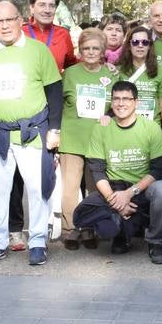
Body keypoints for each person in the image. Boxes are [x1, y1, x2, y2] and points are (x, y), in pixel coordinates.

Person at [0, 0, 62, 265]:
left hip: (32, 133)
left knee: (37, 190)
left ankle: (37, 242)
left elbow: (55, 92)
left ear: (20, 20)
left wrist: (55, 129)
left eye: (9, 19)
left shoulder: (38, 51)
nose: (4, 26)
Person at [73, 80, 162, 263]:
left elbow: (158, 168)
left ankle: (155, 241)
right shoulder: (101, 128)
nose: (121, 103)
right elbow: (97, 171)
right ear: (111, 102)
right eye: (116, 99)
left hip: (141, 190)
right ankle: (122, 232)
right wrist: (116, 201)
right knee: (81, 215)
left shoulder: (150, 128)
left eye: (126, 99)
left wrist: (130, 193)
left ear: (136, 102)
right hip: (114, 190)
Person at [56, 28, 111, 250]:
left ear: (103, 51)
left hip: (98, 140)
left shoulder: (112, 74)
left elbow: (119, 104)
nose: (90, 52)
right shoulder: (69, 73)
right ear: (79, 50)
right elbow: (57, 104)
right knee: (70, 187)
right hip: (72, 138)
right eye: (86, 48)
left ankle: (89, 227)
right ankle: (70, 229)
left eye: (95, 48)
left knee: (94, 188)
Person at [117, 24, 162, 139]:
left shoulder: (160, 70)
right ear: (129, 45)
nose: (140, 46)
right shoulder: (118, 70)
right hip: (122, 129)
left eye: (145, 42)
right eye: (135, 42)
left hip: (151, 130)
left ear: (150, 46)